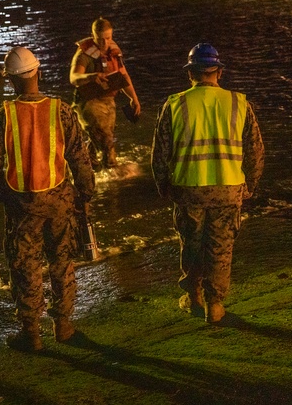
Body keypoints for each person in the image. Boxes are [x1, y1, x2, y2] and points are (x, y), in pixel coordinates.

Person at [0, 46, 96, 351]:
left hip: (21, 206)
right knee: (62, 261)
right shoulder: (61, 110)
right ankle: (64, 326)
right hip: (60, 200)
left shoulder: (2, 116)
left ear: (10, 81)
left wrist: (6, 197)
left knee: (25, 265)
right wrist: (84, 195)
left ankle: (31, 333)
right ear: (39, 72)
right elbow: (80, 159)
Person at [151, 43, 264, 324]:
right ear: (220, 72)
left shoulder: (175, 104)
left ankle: (193, 297)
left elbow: (160, 154)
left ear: (190, 74)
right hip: (229, 188)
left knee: (191, 244)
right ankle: (215, 305)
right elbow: (256, 151)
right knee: (221, 248)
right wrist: (250, 183)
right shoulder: (240, 103)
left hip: (189, 189)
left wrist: (163, 186)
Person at [69, 17, 141, 169]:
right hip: (88, 102)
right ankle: (113, 173)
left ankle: (87, 165)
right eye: (100, 39)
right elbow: (74, 78)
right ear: (93, 35)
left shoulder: (113, 51)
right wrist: (92, 76)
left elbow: (124, 75)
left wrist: (134, 99)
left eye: (108, 38)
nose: (105, 43)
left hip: (108, 101)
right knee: (107, 141)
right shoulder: (84, 54)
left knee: (101, 138)